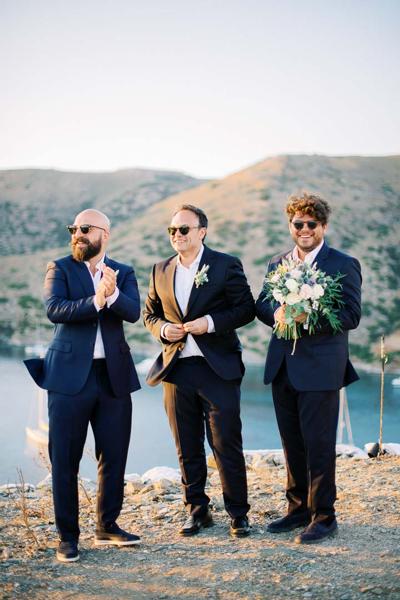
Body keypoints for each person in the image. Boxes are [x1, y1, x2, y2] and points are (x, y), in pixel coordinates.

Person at [24, 209, 141, 562]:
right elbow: (55, 309)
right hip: (68, 379)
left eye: (85, 229)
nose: (77, 234)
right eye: (73, 228)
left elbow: (133, 312)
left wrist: (113, 294)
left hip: (112, 377)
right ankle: (67, 537)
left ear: (104, 234)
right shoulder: (59, 268)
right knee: (65, 459)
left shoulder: (123, 272)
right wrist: (97, 300)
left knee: (114, 455)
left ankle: (107, 525)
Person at [255, 193, 362, 544]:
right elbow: (262, 304)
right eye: (297, 223)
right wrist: (276, 313)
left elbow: (351, 315)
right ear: (290, 225)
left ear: (323, 226)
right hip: (282, 366)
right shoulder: (277, 263)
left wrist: (308, 316)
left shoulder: (343, 263)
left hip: (321, 369)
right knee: (292, 444)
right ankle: (298, 508)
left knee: (319, 444)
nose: (304, 229)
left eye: (311, 224)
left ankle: (324, 516)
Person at [143, 204, 255, 537]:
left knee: (225, 443)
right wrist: (164, 330)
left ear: (202, 232)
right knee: (187, 446)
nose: (177, 235)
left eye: (184, 229)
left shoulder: (225, 264)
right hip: (177, 370)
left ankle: (238, 513)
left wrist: (209, 323)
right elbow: (150, 314)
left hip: (217, 369)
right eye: (172, 230)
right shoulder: (160, 269)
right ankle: (197, 510)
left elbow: (245, 309)